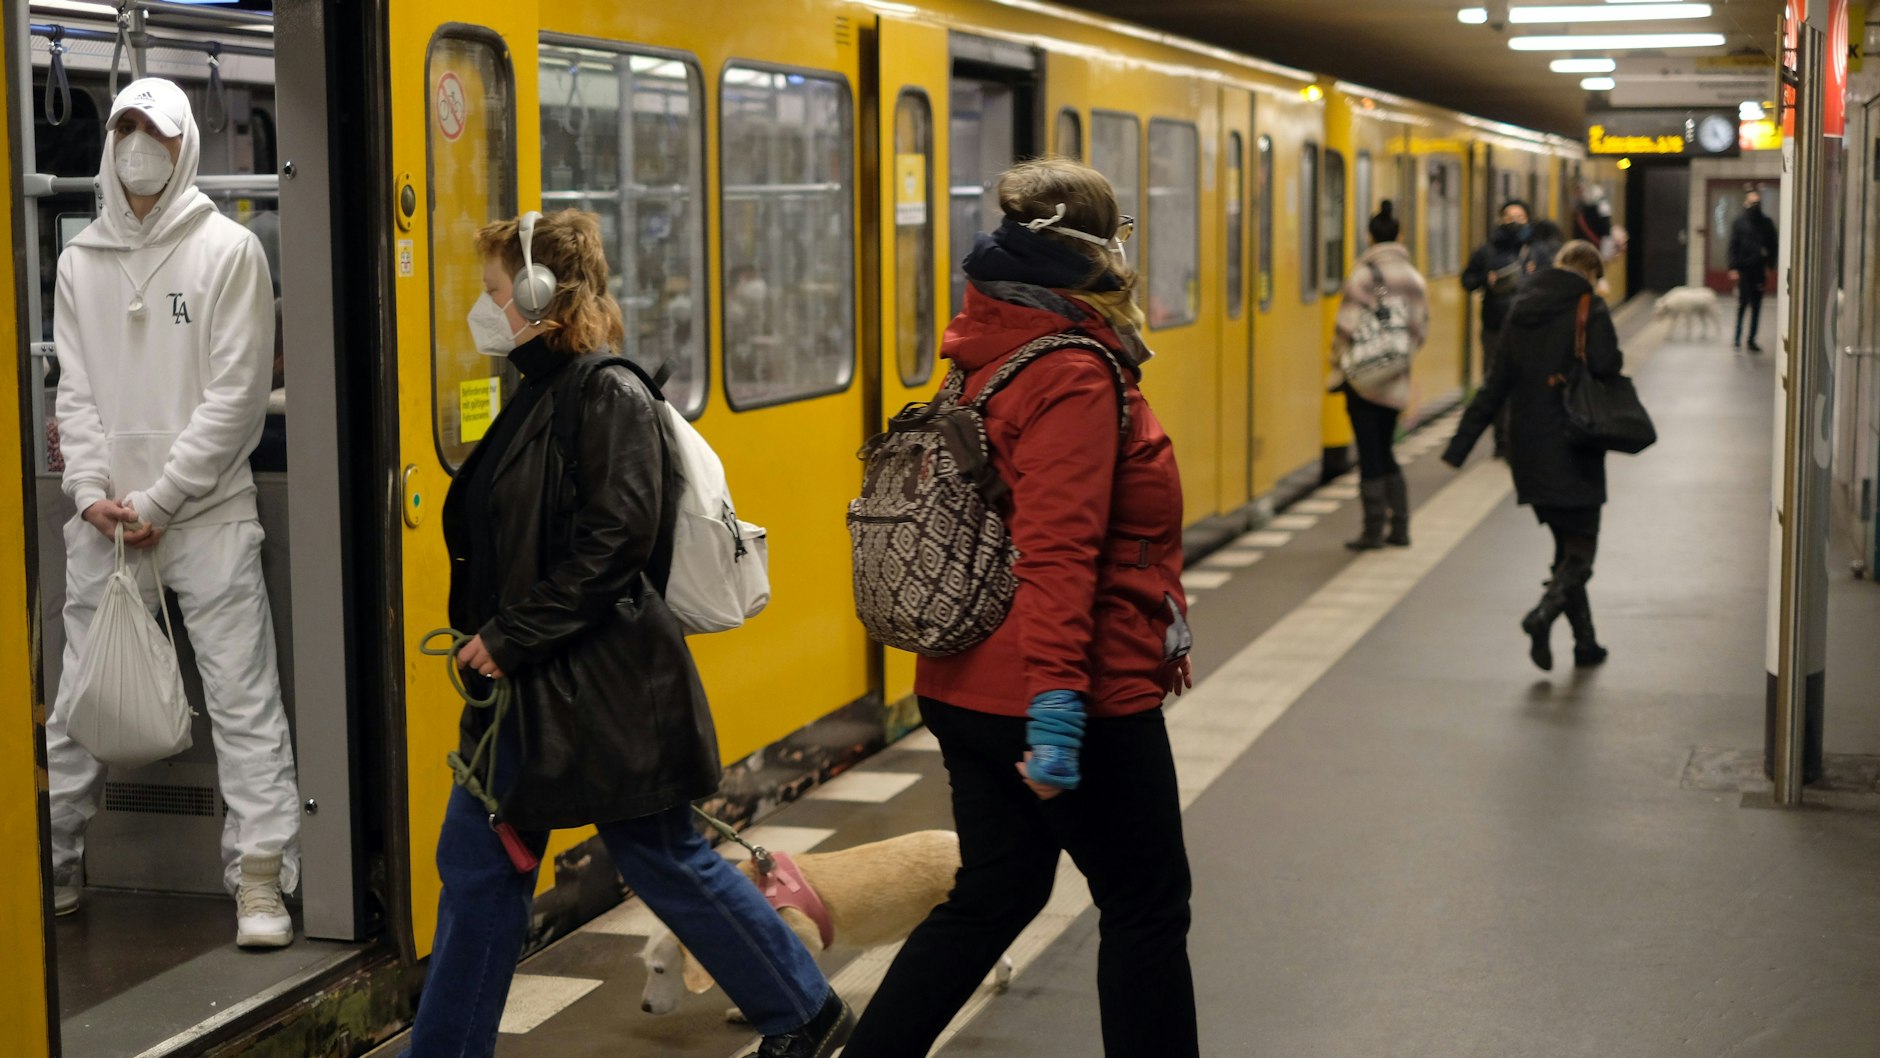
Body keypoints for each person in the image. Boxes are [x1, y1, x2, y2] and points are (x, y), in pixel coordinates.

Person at [406, 209, 848, 1058]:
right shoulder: (543, 391)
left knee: (661, 857)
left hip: (601, 691)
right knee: (482, 864)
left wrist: (511, 635)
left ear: (539, 295)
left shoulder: (604, 392)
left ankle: (807, 1012)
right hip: (540, 689)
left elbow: (617, 542)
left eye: (494, 290)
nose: (484, 306)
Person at [841, 159, 1199, 1058]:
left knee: (996, 894)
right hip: (1064, 689)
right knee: (1147, 908)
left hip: (962, 683)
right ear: (1099, 251)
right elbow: (1059, 553)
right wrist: (1057, 709)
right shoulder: (1073, 370)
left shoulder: (989, 348)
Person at [47, 77, 300, 947]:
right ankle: (54, 861)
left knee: (243, 702)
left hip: (206, 516)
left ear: (182, 143)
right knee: (76, 705)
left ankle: (260, 882)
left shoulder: (229, 251)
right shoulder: (80, 261)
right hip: (107, 523)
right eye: (124, 129)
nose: (136, 147)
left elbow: (235, 397)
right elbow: (75, 393)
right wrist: (90, 493)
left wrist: (160, 497)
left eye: (152, 131)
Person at [1441, 241, 1617, 671]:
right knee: (1582, 551)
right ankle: (1542, 616)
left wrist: (1460, 446)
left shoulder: (1521, 308)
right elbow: (1607, 365)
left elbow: (1495, 383)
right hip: (1575, 442)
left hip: (1529, 449)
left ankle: (1586, 644)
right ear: (1590, 273)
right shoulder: (1589, 307)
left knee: (1565, 548)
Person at [1331, 200, 1428, 550]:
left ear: (1368, 236)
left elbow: (1345, 328)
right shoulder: (1414, 279)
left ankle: (1372, 529)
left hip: (1362, 381)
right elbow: (1419, 332)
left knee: (1369, 452)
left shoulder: (1363, 275)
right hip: (1395, 381)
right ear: (1399, 236)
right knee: (1386, 449)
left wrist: (1338, 365)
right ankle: (1400, 525)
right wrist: (1395, 358)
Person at [1462, 200, 1535, 456]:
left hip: (1529, 328)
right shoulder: (1486, 252)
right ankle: (1502, 438)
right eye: (1509, 217)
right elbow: (1467, 280)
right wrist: (1486, 279)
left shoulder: (1535, 251)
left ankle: (1520, 434)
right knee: (1496, 383)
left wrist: (1534, 275)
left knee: (1524, 384)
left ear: (1528, 220)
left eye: (1520, 217)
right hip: (1495, 328)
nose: (1514, 222)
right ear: (1500, 220)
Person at [1728, 190, 1777, 352]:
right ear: (1746, 203)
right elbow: (1733, 245)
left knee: (1757, 304)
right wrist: (1733, 267)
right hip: (1744, 268)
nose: (1754, 206)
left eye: (1757, 203)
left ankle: (1751, 339)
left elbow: (1773, 245)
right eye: (1752, 203)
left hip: (1759, 268)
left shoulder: (1766, 223)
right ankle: (1737, 337)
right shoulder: (1739, 222)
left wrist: (1770, 265)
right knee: (1743, 302)